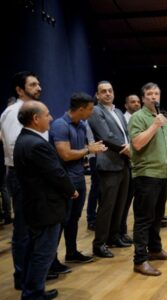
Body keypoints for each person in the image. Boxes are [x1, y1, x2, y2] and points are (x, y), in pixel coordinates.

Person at [14, 100, 77, 299]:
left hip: (34, 206)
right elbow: (56, 173)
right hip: (45, 208)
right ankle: (33, 294)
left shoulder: (23, 139)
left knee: (34, 251)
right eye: (47, 114)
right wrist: (70, 190)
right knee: (43, 253)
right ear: (35, 119)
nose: (50, 118)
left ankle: (32, 289)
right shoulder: (36, 144)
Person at [49, 92, 107, 265]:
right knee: (61, 220)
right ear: (81, 109)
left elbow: (81, 150)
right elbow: (65, 154)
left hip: (79, 178)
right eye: (90, 109)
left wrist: (88, 150)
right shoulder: (60, 125)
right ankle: (52, 260)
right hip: (64, 181)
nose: (92, 112)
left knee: (73, 219)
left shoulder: (81, 125)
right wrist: (89, 150)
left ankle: (72, 252)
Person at [0, 71, 43, 289]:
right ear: (19, 90)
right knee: (23, 229)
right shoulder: (13, 112)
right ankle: (21, 276)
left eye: (38, 84)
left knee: (35, 228)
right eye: (33, 84)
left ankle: (33, 275)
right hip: (22, 176)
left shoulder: (31, 111)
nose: (39, 88)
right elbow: (15, 147)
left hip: (34, 175)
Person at [129, 82, 167, 276]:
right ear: (143, 98)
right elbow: (138, 144)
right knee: (143, 219)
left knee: (157, 216)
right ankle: (139, 260)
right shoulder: (138, 117)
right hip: (146, 175)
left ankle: (155, 249)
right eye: (150, 94)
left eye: (157, 93)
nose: (154, 97)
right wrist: (155, 125)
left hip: (162, 173)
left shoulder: (161, 117)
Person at [88, 81, 131, 258]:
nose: (107, 94)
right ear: (97, 95)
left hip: (123, 163)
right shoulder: (96, 111)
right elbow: (105, 136)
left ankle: (114, 237)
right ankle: (99, 244)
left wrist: (129, 146)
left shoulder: (118, 111)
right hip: (109, 164)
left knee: (120, 204)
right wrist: (125, 148)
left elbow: (126, 133)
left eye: (110, 91)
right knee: (107, 206)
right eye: (103, 91)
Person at [120, 94, 142, 243]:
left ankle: (125, 231)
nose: (136, 104)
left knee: (133, 201)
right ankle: (121, 231)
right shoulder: (123, 118)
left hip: (138, 164)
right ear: (126, 105)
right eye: (132, 102)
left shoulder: (139, 118)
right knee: (123, 201)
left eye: (138, 102)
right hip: (125, 162)